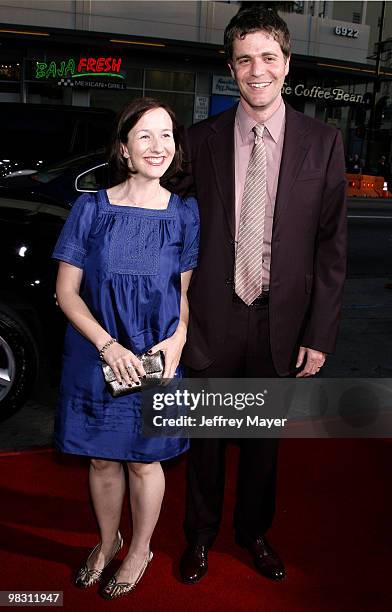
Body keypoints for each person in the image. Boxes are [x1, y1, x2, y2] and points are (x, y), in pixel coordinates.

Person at [178, 7, 347, 584]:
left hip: (281, 322)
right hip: (212, 317)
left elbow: (330, 248)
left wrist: (319, 336)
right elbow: (163, 214)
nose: (257, 70)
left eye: (268, 58)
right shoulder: (198, 141)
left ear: (287, 64)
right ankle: (198, 538)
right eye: (245, 59)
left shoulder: (323, 143)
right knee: (205, 442)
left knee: (261, 445)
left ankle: (253, 533)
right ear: (230, 66)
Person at [52, 97, 199, 600]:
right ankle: (105, 540)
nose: (158, 146)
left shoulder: (184, 214)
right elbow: (65, 292)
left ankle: (140, 549)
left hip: (158, 353)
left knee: (144, 460)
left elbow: (183, 296)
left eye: (167, 135)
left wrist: (178, 341)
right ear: (123, 147)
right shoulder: (90, 208)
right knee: (100, 459)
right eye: (145, 136)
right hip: (97, 351)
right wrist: (108, 345)